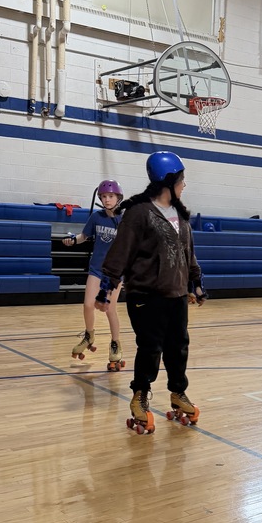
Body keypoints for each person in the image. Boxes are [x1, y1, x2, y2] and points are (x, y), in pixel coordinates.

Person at [99, 151, 206, 434]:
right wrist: (106, 286)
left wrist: (195, 281)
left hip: (176, 294)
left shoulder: (181, 216)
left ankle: (177, 393)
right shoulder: (139, 213)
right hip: (146, 295)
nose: (184, 185)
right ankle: (140, 397)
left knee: (178, 347)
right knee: (150, 348)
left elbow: (188, 253)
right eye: (181, 180)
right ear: (168, 182)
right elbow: (121, 250)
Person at [63, 180, 125, 370]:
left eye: (110, 196)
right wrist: (73, 240)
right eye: (104, 197)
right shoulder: (96, 217)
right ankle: (89, 335)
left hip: (114, 273)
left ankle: (115, 343)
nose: (107, 200)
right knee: (88, 304)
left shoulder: (124, 220)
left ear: (118, 198)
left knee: (109, 309)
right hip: (96, 269)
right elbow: (84, 236)